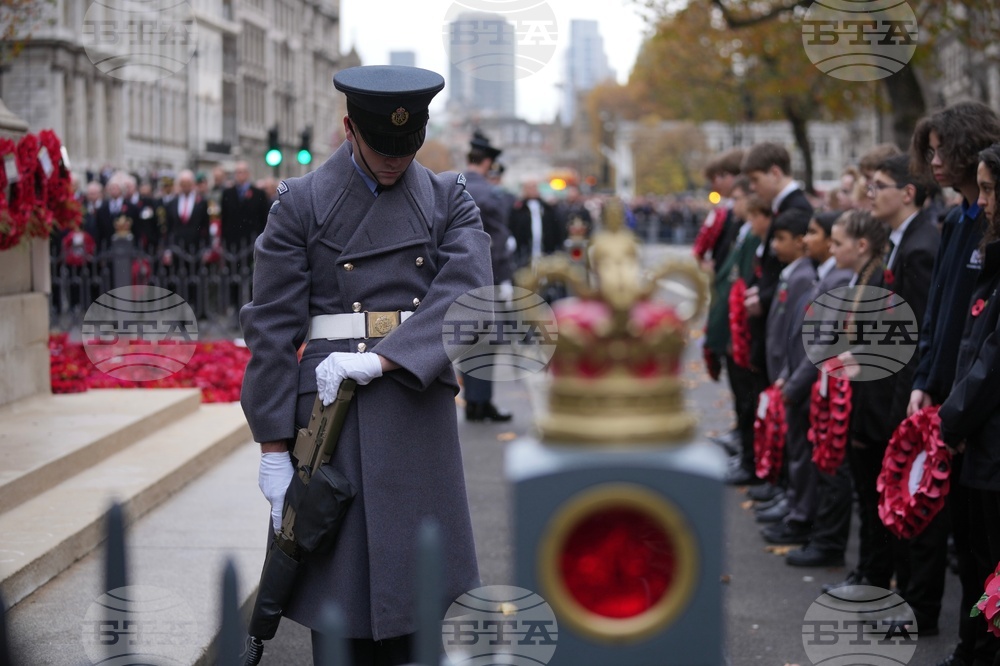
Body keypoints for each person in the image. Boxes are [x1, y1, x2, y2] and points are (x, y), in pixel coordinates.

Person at [241, 65, 488, 666]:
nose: (394, 160)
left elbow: (468, 294)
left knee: (419, 603)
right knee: (342, 607)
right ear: (348, 128)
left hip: (411, 393)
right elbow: (271, 327)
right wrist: (273, 446)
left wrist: (384, 360)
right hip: (332, 419)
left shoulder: (448, 196)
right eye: (381, 147)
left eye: (407, 148)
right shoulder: (299, 204)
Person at [908, 101, 1000, 666]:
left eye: (945, 148)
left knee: (984, 548)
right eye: (931, 149)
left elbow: (989, 347)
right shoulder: (955, 221)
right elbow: (942, 313)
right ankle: (972, 643)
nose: (936, 160)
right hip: (954, 404)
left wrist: (957, 413)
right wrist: (926, 379)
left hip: (975, 413)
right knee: (966, 544)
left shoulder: (983, 228)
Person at [939, 143, 1000, 653]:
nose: (981, 202)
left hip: (990, 437)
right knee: (978, 556)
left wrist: (952, 421)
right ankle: (976, 644)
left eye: (988, 189)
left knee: (988, 558)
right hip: (982, 434)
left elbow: (991, 362)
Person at [783, 210, 856, 567]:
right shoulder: (823, 276)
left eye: (813, 233)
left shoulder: (838, 278)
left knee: (825, 466)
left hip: (818, 386)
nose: (806, 239)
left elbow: (822, 342)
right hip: (806, 382)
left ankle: (821, 536)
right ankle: (807, 521)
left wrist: (795, 383)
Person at [758, 208, 817, 546]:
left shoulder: (802, 278)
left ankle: (799, 511)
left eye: (781, 239)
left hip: (792, 373)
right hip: (783, 371)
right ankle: (791, 502)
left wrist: (786, 374)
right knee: (791, 445)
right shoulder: (790, 273)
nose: (775, 246)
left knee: (799, 449)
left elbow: (797, 334)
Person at [461, 130, 513, 422]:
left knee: (465, 338)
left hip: (456, 277)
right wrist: (505, 278)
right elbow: (500, 240)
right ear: (489, 164)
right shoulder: (491, 193)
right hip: (488, 276)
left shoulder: (451, 187)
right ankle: (481, 403)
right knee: (487, 342)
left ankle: (473, 401)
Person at [221, 160, 270, 251]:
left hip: (251, 240)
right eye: (238, 172)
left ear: (248, 174)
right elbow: (224, 217)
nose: (240, 175)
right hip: (233, 240)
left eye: (243, 172)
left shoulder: (259, 194)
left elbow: (263, 218)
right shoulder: (228, 193)